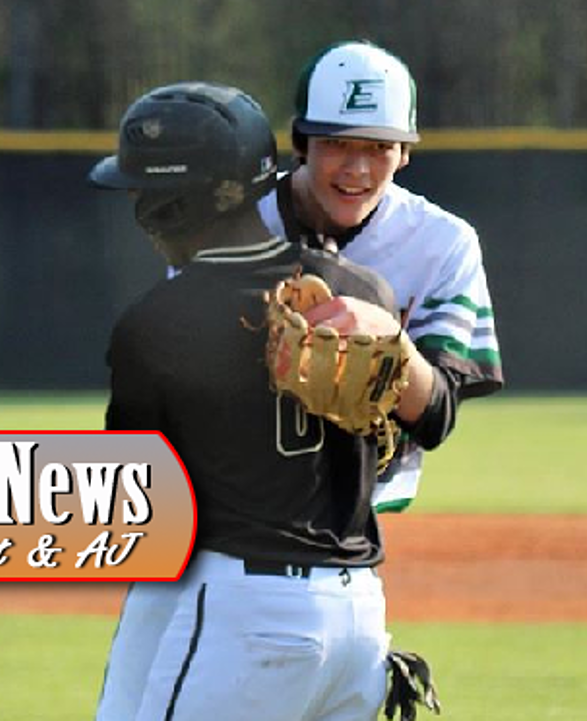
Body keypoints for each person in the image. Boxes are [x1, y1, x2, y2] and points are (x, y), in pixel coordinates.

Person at [90, 81, 405, 721]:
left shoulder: (156, 323)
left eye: (145, 193)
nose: (140, 210)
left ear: (171, 206)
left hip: (245, 613)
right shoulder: (360, 289)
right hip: (361, 622)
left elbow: (137, 505)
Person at [258, 40, 504, 512]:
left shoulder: (443, 243)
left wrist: (391, 343)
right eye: (336, 143)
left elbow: (436, 418)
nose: (357, 169)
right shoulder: (239, 224)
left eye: (379, 147)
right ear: (301, 142)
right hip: (237, 506)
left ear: (405, 153)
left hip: (361, 518)